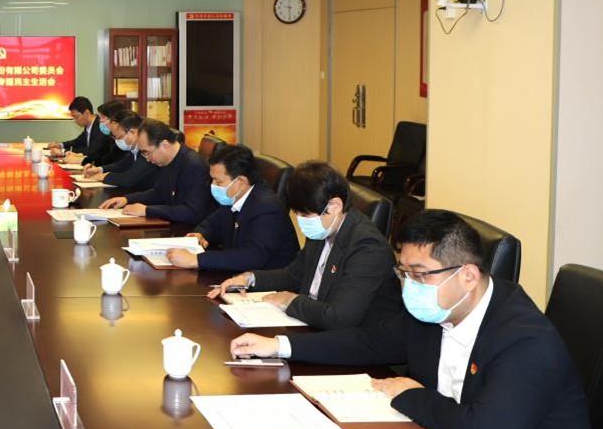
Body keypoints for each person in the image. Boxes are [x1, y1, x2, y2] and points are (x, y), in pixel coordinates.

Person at [230, 210, 597, 429]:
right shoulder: (438, 310)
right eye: (403, 273)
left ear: (468, 276)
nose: (409, 286)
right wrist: (280, 346)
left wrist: (410, 395)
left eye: (419, 275)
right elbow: (370, 343)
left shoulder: (524, 340)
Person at [207, 161, 400, 328]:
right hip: (312, 323)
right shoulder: (324, 227)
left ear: (334, 206)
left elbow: (339, 317)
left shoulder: (367, 247)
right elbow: (294, 275)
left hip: (356, 340)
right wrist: (249, 279)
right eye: (298, 214)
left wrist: (290, 301)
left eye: (306, 215)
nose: (302, 222)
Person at [167, 143, 297, 270]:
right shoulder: (234, 197)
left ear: (241, 181)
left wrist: (196, 260)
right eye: (212, 179)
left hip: (267, 279)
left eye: (218, 181)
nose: (213, 185)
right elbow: (213, 222)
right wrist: (201, 234)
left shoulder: (267, 208)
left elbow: (251, 256)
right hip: (239, 273)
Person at [99, 119, 213, 224]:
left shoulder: (194, 166)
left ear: (164, 145)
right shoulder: (167, 160)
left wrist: (147, 210)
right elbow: (159, 192)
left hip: (189, 230)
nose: (147, 159)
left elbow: (192, 212)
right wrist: (127, 199)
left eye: (147, 153)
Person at [83, 110, 157, 190]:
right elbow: (121, 165)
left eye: (120, 137)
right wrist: (100, 169)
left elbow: (129, 179)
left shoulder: (147, 151)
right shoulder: (134, 149)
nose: (117, 141)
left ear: (133, 132)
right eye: (115, 137)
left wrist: (103, 176)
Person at [48, 97, 107, 162]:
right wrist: (60, 145)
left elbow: (92, 151)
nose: (75, 121)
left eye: (76, 117)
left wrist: (63, 151)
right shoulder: (88, 126)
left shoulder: (101, 127)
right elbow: (77, 142)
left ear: (86, 113)